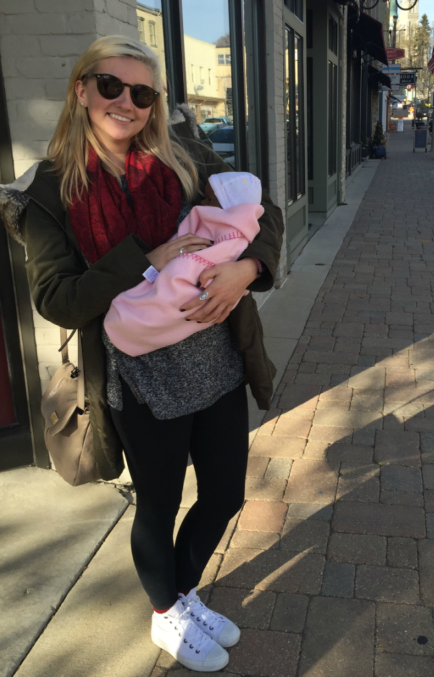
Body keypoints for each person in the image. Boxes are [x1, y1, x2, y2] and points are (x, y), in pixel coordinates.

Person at [1, 35, 283, 672]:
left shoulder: (181, 156)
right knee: (159, 501)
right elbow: (57, 299)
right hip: (137, 372)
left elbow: (258, 214)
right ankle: (168, 612)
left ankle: (177, 595)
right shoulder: (48, 189)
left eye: (142, 92)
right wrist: (145, 261)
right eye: (110, 86)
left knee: (225, 494)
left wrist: (248, 268)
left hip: (215, 356)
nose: (126, 102)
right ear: (82, 89)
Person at [104, 171, 264, 356]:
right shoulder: (220, 228)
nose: (202, 204)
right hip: (142, 368)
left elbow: (203, 266)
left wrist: (250, 268)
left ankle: (132, 323)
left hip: (216, 348)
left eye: (210, 200)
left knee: (172, 300)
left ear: (230, 206)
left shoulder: (233, 237)